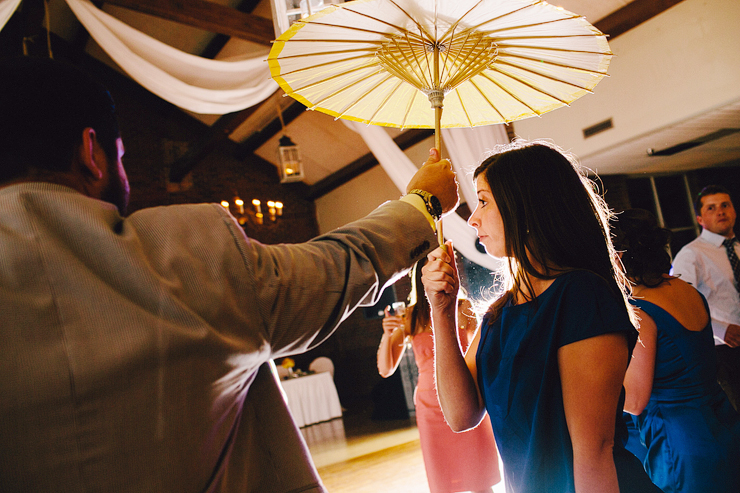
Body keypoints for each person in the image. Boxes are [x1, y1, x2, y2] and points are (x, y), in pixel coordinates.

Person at [0, 56, 459, 492]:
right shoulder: (190, 254)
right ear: (91, 151)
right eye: (119, 155)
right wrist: (422, 204)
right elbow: (335, 269)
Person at [421, 140, 661, 493]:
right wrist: (441, 312)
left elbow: (593, 451)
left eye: (484, 201)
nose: (472, 219)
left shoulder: (580, 296)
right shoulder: (500, 313)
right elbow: (461, 416)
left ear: (526, 207)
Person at [613, 208, 740, 493]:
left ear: (618, 257)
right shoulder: (687, 290)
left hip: (680, 442)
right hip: (724, 422)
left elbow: (634, 401)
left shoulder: (640, 309)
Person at [377, 258, 500, 493]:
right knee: (443, 482)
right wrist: (388, 334)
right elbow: (385, 369)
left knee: (480, 480)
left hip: (463, 396)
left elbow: (483, 353)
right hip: (429, 408)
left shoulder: (463, 308)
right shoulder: (410, 317)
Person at [671, 185, 740, 411]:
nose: (720, 212)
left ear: (734, 211)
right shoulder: (691, 254)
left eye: (725, 205)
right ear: (700, 218)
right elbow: (681, 305)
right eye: (712, 208)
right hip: (723, 350)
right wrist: (721, 330)